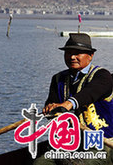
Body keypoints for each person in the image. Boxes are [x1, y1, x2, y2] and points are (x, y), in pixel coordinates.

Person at [35, 33, 113, 164]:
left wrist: (68, 104)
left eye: (78, 53)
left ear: (90, 56)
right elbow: (52, 107)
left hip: (101, 143)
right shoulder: (58, 79)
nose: (72, 57)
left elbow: (89, 93)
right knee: (40, 163)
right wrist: (50, 109)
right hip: (68, 143)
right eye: (68, 53)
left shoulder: (102, 76)